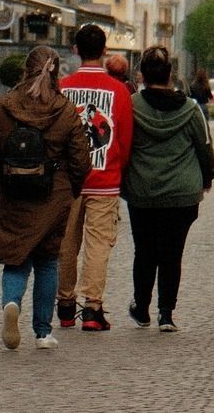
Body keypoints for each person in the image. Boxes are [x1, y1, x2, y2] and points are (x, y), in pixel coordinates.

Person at [0, 45, 92, 350]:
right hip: (53, 194)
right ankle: (43, 331)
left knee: (15, 258)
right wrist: (72, 188)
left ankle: (11, 304)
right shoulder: (65, 109)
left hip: (15, 190)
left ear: (24, 70)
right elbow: (81, 159)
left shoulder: (3, 107)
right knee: (46, 261)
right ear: (57, 72)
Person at [121, 46, 214, 331]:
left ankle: (142, 306)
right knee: (173, 253)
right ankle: (166, 313)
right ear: (170, 74)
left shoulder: (131, 105)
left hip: (143, 191)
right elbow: (204, 149)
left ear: (143, 75)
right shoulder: (190, 109)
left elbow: (123, 145)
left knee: (145, 250)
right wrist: (206, 179)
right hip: (181, 194)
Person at [55, 23, 134, 331]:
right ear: (104, 51)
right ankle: (92, 309)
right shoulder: (119, 91)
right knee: (98, 244)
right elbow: (125, 139)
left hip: (67, 179)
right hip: (105, 178)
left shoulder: (63, 87)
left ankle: (64, 304)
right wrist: (117, 166)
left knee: (65, 243)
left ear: (75, 50)